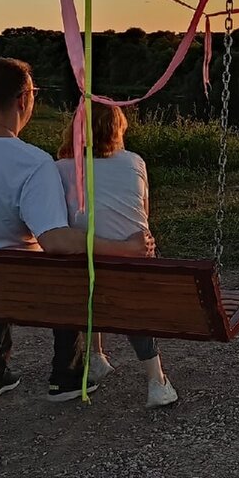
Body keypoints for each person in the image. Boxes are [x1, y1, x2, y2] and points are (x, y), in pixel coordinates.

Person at [0, 57, 154, 403]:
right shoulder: (31, 162)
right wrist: (127, 249)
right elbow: (56, 240)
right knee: (63, 261)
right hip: (10, 284)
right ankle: (66, 376)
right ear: (23, 99)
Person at [56, 104, 179, 408]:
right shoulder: (134, 162)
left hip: (84, 268)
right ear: (117, 129)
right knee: (130, 291)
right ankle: (156, 381)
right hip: (131, 265)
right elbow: (143, 218)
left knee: (91, 267)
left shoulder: (60, 168)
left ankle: (96, 356)